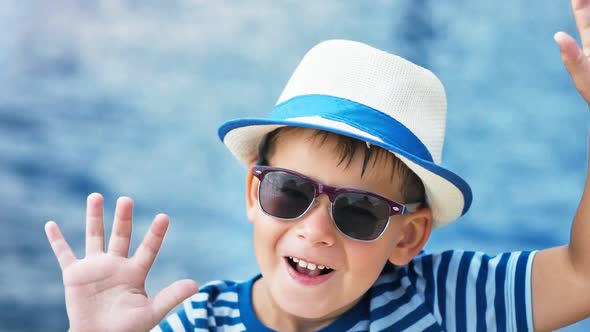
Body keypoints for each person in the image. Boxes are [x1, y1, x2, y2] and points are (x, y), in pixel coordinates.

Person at [44, 2, 590, 331]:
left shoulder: (441, 303)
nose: (316, 229)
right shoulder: (199, 324)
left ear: (409, 236)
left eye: (359, 211)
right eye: (289, 191)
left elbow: (580, 277)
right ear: (253, 193)